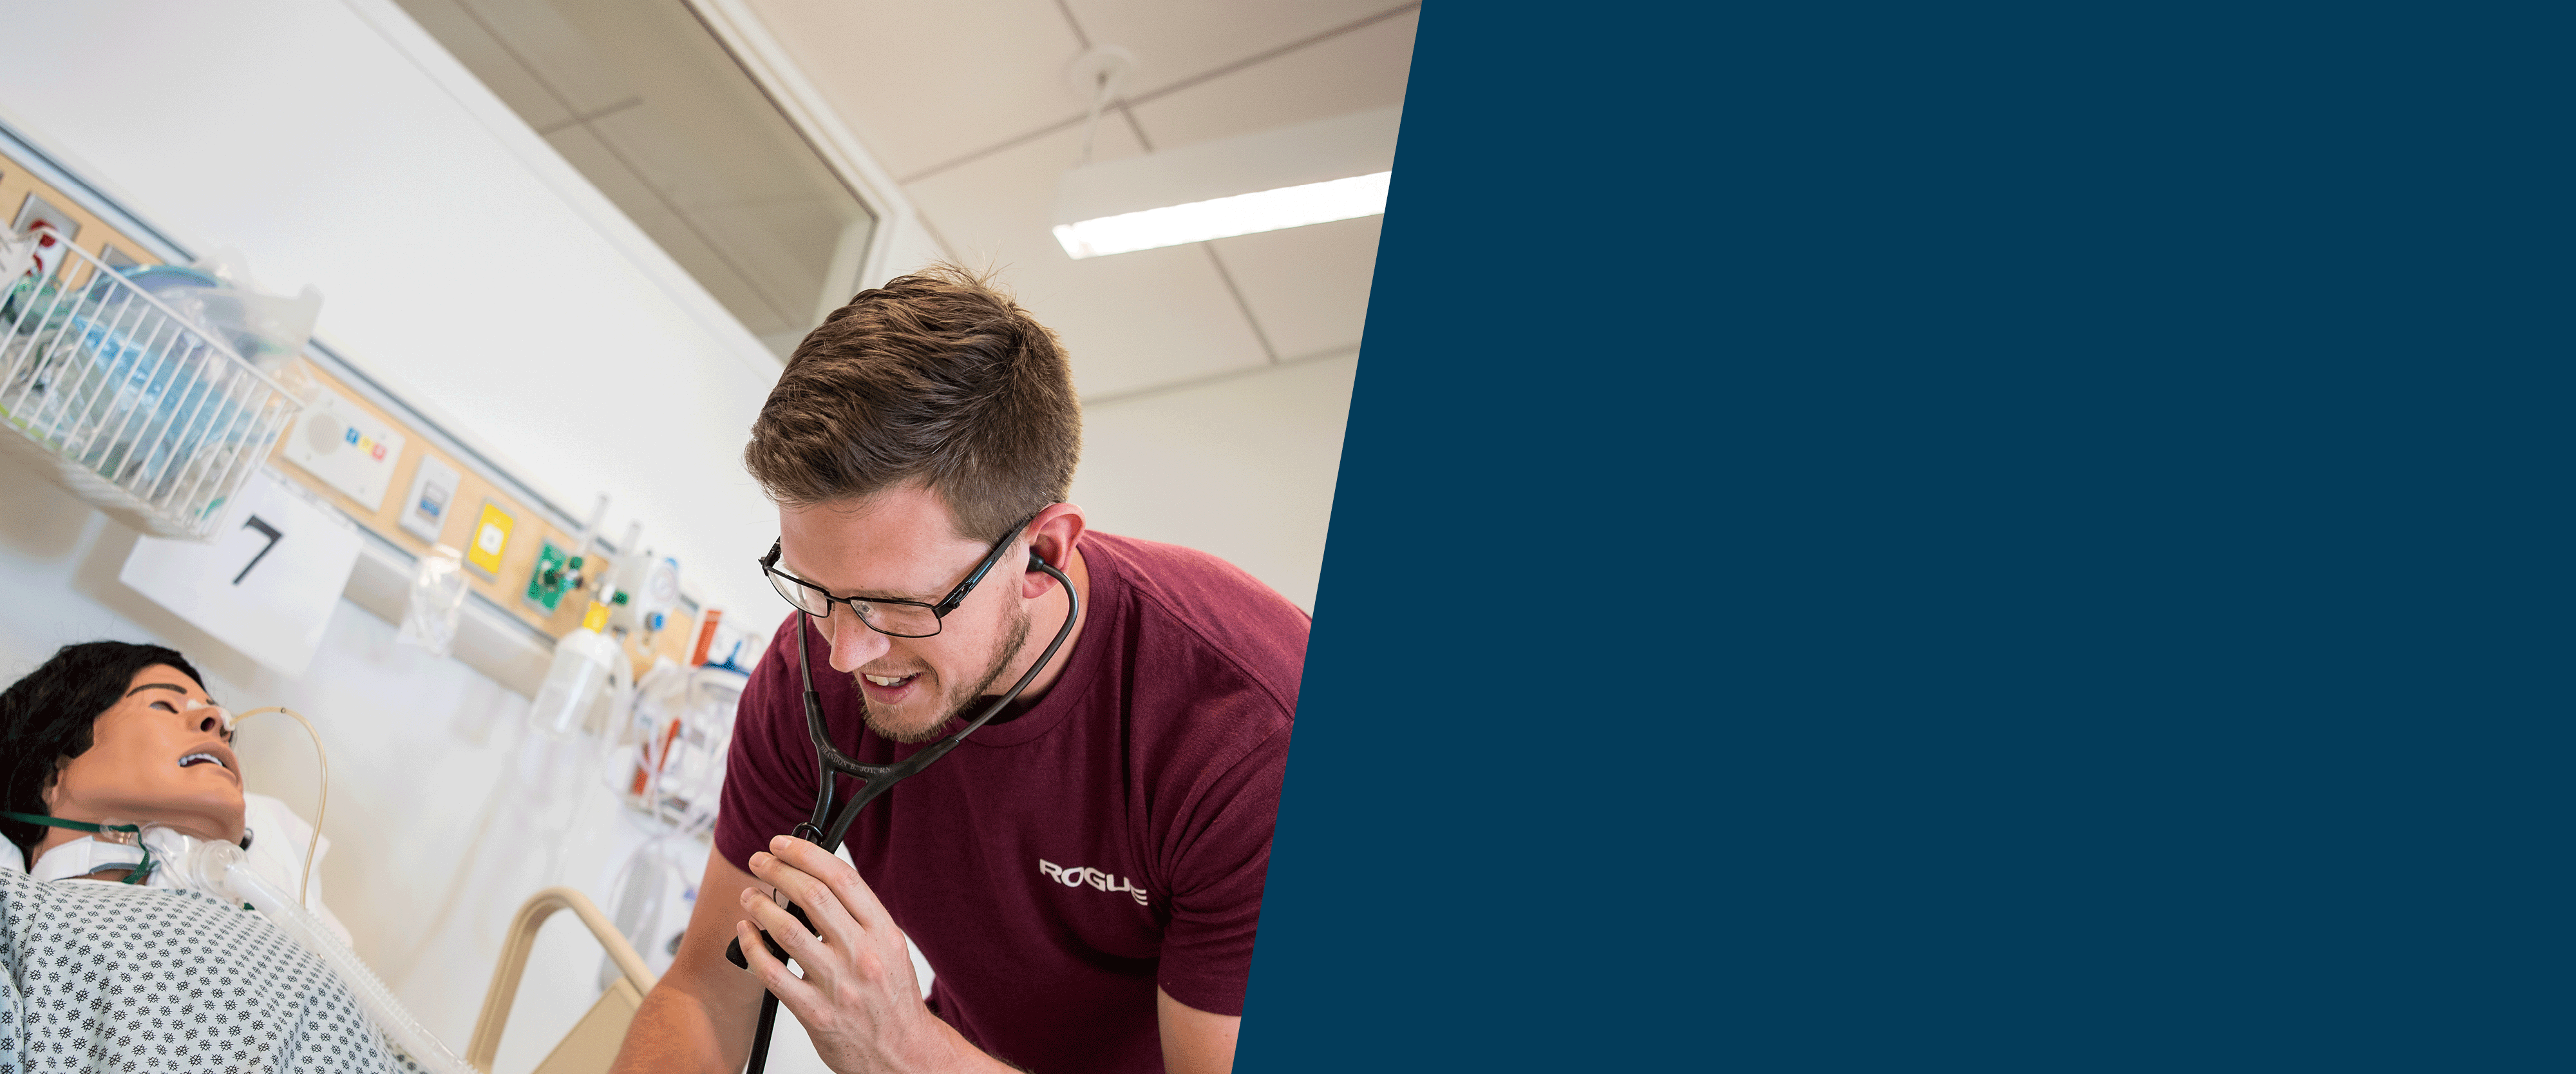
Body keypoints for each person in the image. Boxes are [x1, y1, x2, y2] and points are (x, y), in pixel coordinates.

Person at [612, 267, 1307, 1074]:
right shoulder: (810, 673)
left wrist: (904, 1047)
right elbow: (705, 992)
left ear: (1041, 553)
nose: (845, 652)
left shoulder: (1252, 736)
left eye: (895, 604)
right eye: (816, 590)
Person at [0, 640, 403, 1072]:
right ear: (52, 773)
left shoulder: (309, 952)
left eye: (221, 722)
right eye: (164, 704)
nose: (218, 723)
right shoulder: (19, 914)